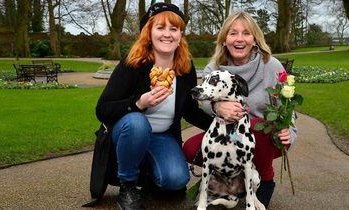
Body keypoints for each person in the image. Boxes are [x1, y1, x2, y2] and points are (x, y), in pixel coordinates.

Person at [95, 3, 212, 210]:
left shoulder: (185, 67)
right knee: (137, 123)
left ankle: (148, 176)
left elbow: (190, 111)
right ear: (149, 33)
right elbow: (103, 109)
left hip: (161, 135)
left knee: (175, 180)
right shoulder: (133, 63)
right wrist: (139, 103)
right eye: (160, 28)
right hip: (128, 131)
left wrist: (221, 125)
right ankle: (128, 186)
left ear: (180, 35)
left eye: (174, 29)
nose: (167, 34)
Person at [182, 11, 297, 209]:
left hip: (266, 139)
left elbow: (287, 105)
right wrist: (217, 106)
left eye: (246, 33)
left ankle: (265, 181)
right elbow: (205, 102)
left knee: (255, 126)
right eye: (233, 33)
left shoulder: (271, 65)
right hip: (228, 137)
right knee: (192, 148)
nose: (239, 39)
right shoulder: (214, 68)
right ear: (224, 40)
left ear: (255, 40)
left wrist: (290, 130)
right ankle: (224, 182)